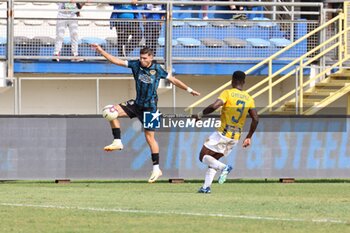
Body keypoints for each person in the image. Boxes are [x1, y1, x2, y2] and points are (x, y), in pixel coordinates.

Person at [91, 44, 201, 183]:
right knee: (110, 111)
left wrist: (190, 90)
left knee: (149, 138)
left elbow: (173, 80)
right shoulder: (136, 65)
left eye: (144, 58)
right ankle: (118, 141)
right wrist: (101, 51)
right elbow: (116, 61)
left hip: (150, 109)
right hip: (137, 104)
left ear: (151, 57)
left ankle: (156, 168)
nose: (142, 60)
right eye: (141, 58)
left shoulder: (157, 69)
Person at [194, 71, 258, 193]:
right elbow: (256, 119)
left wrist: (200, 115)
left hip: (223, 133)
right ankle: (206, 187)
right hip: (235, 138)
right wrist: (249, 136)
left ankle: (225, 168)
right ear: (244, 82)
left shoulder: (228, 93)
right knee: (213, 161)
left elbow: (214, 106)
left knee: (202, 156)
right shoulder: (249, 98)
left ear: (232, 81)